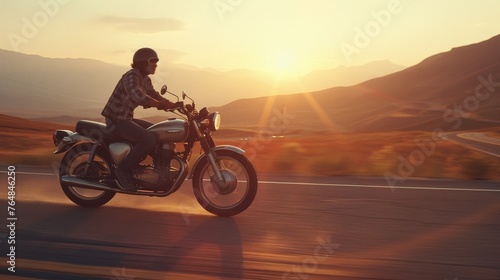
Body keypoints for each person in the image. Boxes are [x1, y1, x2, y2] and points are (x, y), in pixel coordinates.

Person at [101, 47, 173, 191]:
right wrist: (158, 104)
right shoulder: (131, 76)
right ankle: (122, 170)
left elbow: (153, 94)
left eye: (156, 62)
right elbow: (137, 95)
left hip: (126, 118)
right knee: (148, 139)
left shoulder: (145, 79)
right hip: (116, 120)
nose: (155, 65)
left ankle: (158, 172)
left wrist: (171, 104)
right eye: (152, 61)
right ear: (143, 62)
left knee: (158, 133)